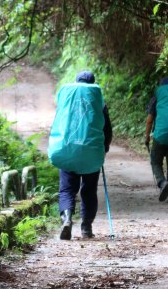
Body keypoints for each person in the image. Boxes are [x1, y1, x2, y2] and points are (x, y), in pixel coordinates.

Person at [48, 71, 112, 240]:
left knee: (67, 189)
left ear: (76, 82)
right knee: (89, 190)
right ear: (93, 84)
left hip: (67, 149)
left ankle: (67, 218)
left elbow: (58, 124)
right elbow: (107, 129)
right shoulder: (98, 102)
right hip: (91, 152)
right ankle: (86, 227)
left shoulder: (67, 100)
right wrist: (104, 148)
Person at [145, 77, 168, 203]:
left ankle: (162, 182)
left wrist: (147, 136)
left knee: (155, 161)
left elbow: (149, 119)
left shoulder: (157, 98)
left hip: (160, 136)